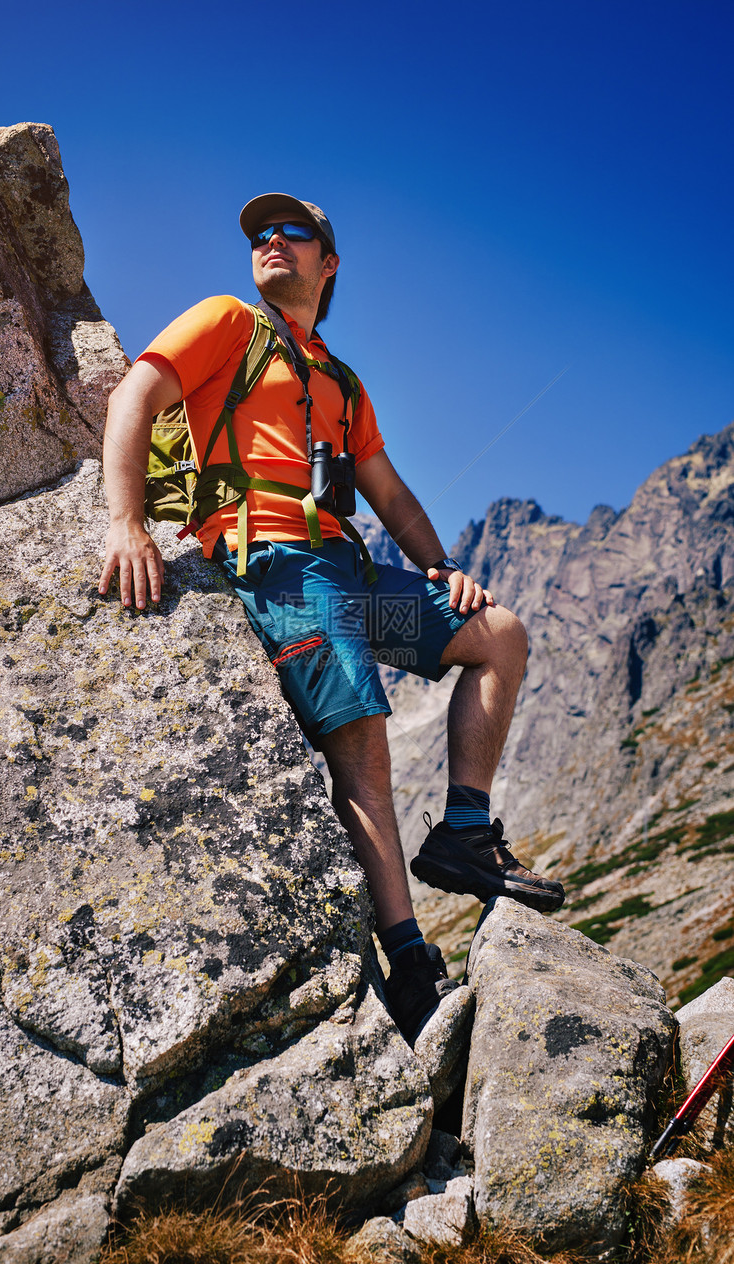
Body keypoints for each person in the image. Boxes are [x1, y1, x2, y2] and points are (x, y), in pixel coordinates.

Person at [98, 193, 565, 1043]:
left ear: (328, 261)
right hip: (274, 561)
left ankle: (464, 835)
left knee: (500, 634)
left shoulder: (340, 380)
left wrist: (442, 570)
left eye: (292, 232)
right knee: (363, 735)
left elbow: (387, 494)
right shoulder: (226, 321)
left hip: (343, 567)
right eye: (259, 235)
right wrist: (126, 522)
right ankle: (408, 952)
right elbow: (134, 396)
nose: (270, 242)